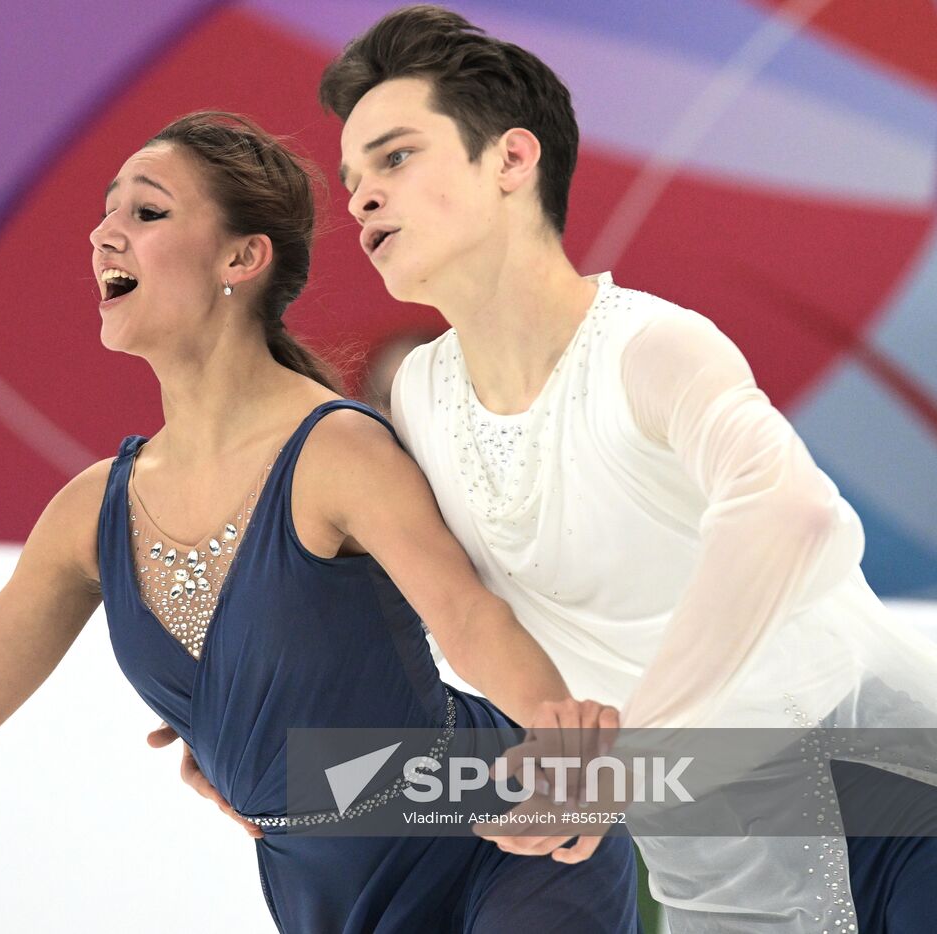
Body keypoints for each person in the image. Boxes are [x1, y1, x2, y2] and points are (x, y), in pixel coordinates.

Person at [0, 111, 643, 932]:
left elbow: (467, 619)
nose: (102, 232)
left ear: (240, 258)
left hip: (492, 856)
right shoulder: (91, 514)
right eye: (104, 211)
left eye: (146, 210)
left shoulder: (332, 451)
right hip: (324, 900)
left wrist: (560, 746)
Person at [310, 5, 937, 933]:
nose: (360, 196)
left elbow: (789, 514)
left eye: (395, 158)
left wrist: (621, 759)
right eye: (353, 176)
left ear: (514, 160)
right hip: (717, 871)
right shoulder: (420, 403)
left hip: (883, 801)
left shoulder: (653, 348)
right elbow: (419, 605)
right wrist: (246, 726)